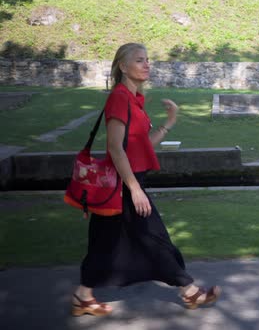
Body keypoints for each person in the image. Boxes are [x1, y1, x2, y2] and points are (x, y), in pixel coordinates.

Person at [71, 43, 221, 317]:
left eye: (148, 60)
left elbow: (142, 148)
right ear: (123, 67)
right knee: (155, 236)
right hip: (124, 186)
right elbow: (115, 148)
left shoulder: (135, 100)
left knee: (104, 242)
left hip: (127, 183)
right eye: (140, 60)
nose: (147, 64)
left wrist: (169, 122)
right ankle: (189, 292)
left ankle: (83, 296)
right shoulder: (119, 98)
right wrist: (135, 189)